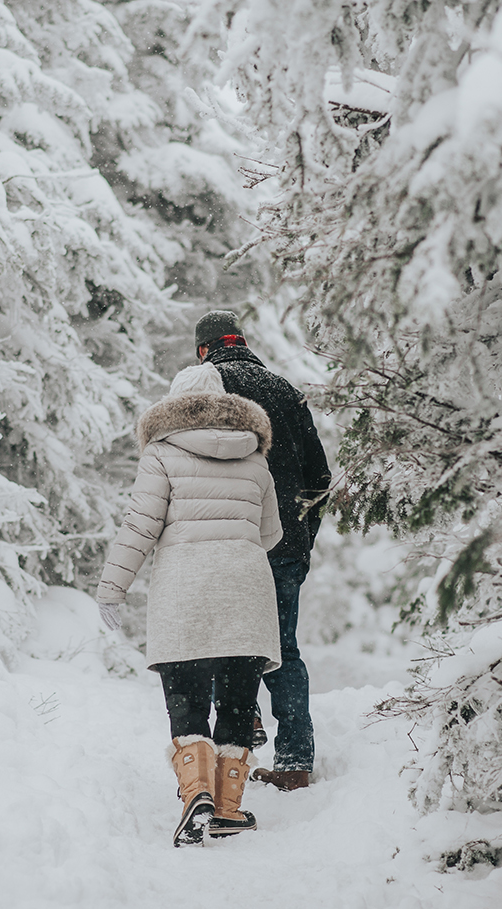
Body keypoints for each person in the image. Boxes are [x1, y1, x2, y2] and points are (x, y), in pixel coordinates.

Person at [95, 363, 283, 847]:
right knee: (239, 701)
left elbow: (140, 527)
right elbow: (271, 534)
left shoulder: (161, 452)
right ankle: (227, 808)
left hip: (186, 590)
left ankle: (195, 793)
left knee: (188, 697)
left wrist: (112, 588)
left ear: (174, 406)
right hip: (245, 587)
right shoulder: (256, 457)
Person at [194, 311, 331, 792]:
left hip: (227, 538)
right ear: (245, 342)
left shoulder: (204, 392)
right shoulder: (284, 391)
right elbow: (320, 478)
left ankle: (242, 721)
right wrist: (301, 538)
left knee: (219, 639)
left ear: (201, 350)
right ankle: (295, 761)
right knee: (283, 649)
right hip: (284, 544)